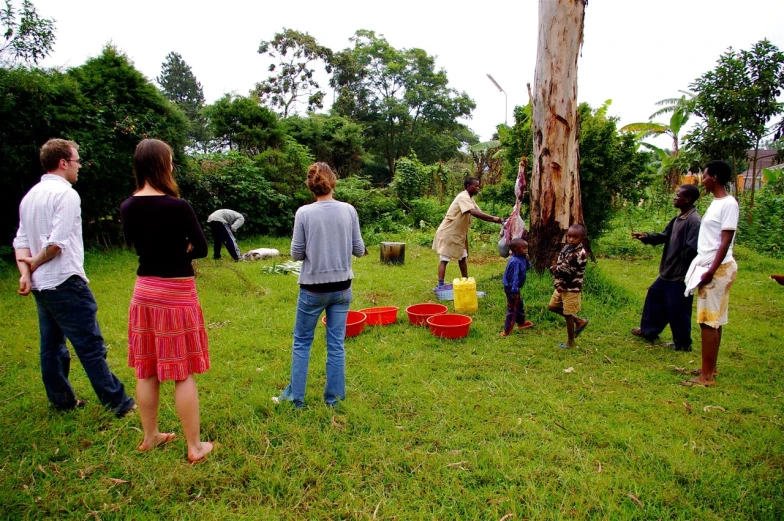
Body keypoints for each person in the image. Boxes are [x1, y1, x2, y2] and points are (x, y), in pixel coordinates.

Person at [13, 139, 136, 416]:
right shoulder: (66, 194)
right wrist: (35, 262)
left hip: (41, 286)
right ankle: (118, 403)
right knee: (90, 344)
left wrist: (26, 272)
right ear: (63, 163)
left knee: (52, 346)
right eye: (77, 161)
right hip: (65, 281)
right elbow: (57, 243)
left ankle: (62, 402)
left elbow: (20, 240)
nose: (79, 166)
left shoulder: (30, 196)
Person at [120, 139, 214, 463]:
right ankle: (194, 447)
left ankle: (150, 437)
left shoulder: (127, 206)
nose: (172, 166)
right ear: (162, 165)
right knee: (182, 371)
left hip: (144, 292)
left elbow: (134, 242)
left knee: (146, 369)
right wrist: (183, 248)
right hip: (176, 293)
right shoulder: (179, 207)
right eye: (170, 161)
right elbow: (201, 248)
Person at [273, 162, 365, 408]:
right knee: (336, 344)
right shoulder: (349, 210)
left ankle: (296, 398)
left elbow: (295, 254)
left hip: (313, 290)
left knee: (302, 342)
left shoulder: (304, 213)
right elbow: (359, 249)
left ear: (311, 186)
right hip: (343, 288)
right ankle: (333, 400)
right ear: (332, 181)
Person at [681, 160, 738, 387]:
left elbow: (725, 241)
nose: (702, 180)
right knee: (714, 321)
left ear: (714, 177)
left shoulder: (728, 204)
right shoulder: (716, 203)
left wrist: (711, 270)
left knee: (708, 322)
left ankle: (705, 377)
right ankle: (709, 369)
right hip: (711, 265)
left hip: (717, 267)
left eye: (704, 176)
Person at [630, 184, 702, 351]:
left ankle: (683, 344)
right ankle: (649, 331)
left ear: (688, 199)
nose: (674, 197)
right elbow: (665, 236)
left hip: (680, 275)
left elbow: (693, 249)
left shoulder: (694, 221)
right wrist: (647, 237)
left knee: (678, 309)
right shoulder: (679, 218)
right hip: (667, 273)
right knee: (654, 297)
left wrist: (680, 261)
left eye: (678, 195)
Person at [432, 178, 503, 286]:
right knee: (445, 258)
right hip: (449, 232)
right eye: (476, 186)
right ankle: (440, 285)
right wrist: (494, 218)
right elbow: (473, 212)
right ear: (468, 186)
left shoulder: (470, 199)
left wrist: (500, 221)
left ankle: (466, 281)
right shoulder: (463, 197)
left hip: (458, 234)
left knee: (462, 257)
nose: (478, 188)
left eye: (478, 186)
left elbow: (480, 214)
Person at [547, 224, 589, 349]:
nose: (571, 239)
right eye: (569, 236)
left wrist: (554, 270)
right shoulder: (566, 249)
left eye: (575, 237)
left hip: (571, 288)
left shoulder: (580, 254)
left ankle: (570, 342)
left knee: (568, 314)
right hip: (561, 286)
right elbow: (558, 267)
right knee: (552, 307)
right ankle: (579, 321)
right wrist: (557, 283)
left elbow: (564, 270)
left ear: (582, 238)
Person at [500, 238, 534, 337]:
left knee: (519, 304)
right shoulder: (515, 262)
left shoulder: (521, 258)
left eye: (526, 248)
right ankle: (507, 330)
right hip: (512, 288)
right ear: (516, 250)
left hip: (515, 288)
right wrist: (514, 291)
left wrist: (527, 261)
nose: (526, 250)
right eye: (524, 248)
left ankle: (521, 322)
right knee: (513, 308)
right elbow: (514, 277)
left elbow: (527, 267)